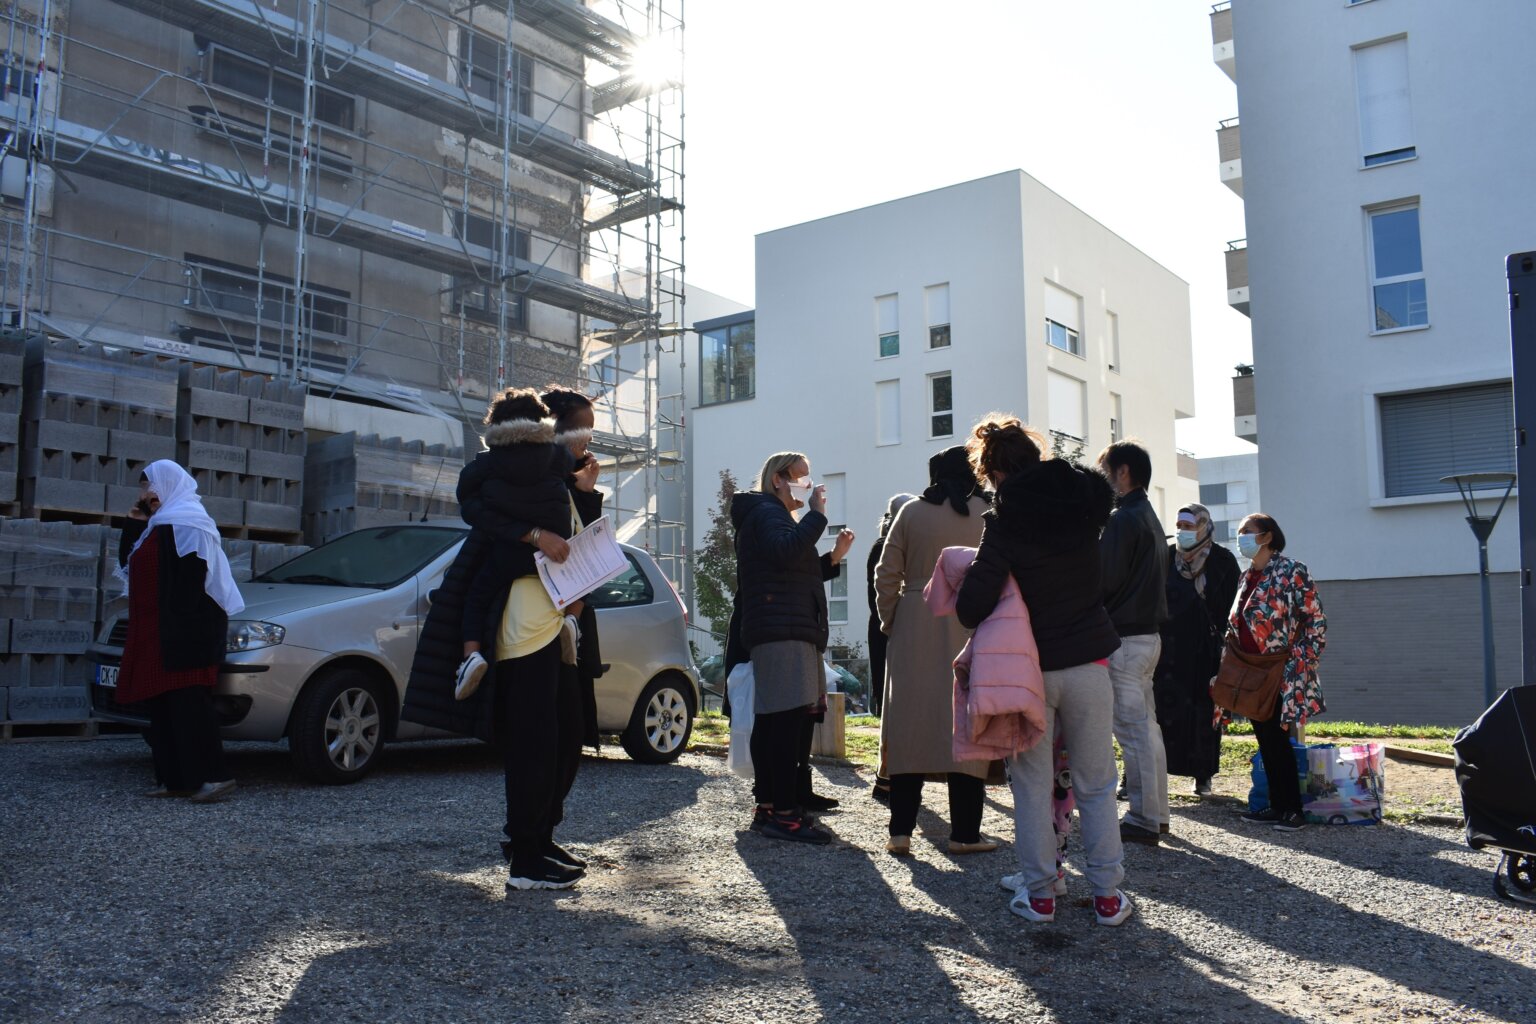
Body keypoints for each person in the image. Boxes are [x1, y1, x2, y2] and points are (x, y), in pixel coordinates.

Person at [956, 415, 1133, 927]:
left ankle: (1040, 896)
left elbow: (972, 606)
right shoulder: (1086, 508)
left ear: (995, 474)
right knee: (1098, 782)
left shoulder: (1006, 521)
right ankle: (1107, 898)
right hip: (1089, 661)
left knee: (1031, 786)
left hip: (1029, 671)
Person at [459, 387, 591, 891]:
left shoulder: (490, 476)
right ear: (543, 426)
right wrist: (540, 534)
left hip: (529, 621)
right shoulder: (549, 467)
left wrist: (530, 535)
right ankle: (526, 862)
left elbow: (476, 515)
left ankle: (532, 845)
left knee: (540, 744)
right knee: (540, 745)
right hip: (540, 622)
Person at [875, 447, 993, 857]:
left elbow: (885, 575)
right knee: (965, 723)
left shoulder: (910, 513)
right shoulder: (986, 513)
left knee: (910, 726)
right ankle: (964, 833)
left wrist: (894, 621)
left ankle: (900, 832)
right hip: (971, 620)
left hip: (915, 619)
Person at [115, 461, 245, 803]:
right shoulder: (156, 525)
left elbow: (192, 582)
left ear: (169, 485)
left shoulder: (190, 522)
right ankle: (176, 779)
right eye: (143, 488)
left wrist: (181, 631)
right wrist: (135, 523)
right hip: (159, 632)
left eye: (151, 487)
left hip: (187, 633)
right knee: (162, 708)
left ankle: (216, 777)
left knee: (190, 707)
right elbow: (128, 566)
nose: (146, 495)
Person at [733, 451, 844, 845]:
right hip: (781, 629)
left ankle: (769, 807)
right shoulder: (767, 514)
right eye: (800, 477)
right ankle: (784, 814)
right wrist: (816, 516)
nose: (808, 485)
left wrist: (830, 558)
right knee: (782, 723)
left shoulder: (771, 516)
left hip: (785, 626)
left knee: (775, 722)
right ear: (777, 479)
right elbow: (785, 552)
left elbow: (792, 561)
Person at [453, 389, 575, 701]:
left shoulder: (487, 465)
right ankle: (572, 621)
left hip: (510, 553)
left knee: (476, 596)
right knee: (584, 582)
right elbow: (568, 469)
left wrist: (524, 531)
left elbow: (468, 502)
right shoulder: (558, 456)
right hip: (557, 555)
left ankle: (471, 657)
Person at [1231, 513, 1327, 832]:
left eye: (1248, 531)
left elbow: (1314, 619)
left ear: (1267, 537)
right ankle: (1277, 805)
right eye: (1239, 531)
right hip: (1252, 670)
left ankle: (1292, 810)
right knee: (1266, 738)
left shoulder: (1291, 570)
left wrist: (1303, 659)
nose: (1241, 536)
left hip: (1282, 668)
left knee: (1278, 737)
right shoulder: (1247, 576)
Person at [1097, 440, 1170, 847]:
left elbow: (1103, 579)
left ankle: (1143, 817)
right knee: (1147, 728)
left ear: (1122, 472)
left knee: (1132, 731)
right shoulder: (1148, 516)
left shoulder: (1123, 519)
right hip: (1146, 637)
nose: (1103, 478)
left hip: (1124, 638)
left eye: (1105, 469)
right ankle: (1156, 814)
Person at [1154, 504, 1240, 797]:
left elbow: (1233, 608)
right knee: (1157, 713)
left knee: (1203, 714)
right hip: (1166, 651)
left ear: (1204, 527)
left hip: (1205, 652)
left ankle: (1202, 775)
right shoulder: (1164, 557)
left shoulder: (1222, 561)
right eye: (1179, 525)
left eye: (1189, 526)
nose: (1182, 531)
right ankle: (1144, 775)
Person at [865, 492, 915, 804]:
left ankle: (888, 776)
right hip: (889, 629)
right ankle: (887, 776)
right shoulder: (887, 547)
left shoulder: (883, 544)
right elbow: (881, 594)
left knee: (895, 708)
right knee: (894, 707)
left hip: (887, 628)